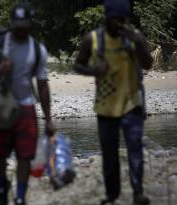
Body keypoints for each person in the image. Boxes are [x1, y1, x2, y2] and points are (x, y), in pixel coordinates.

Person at [0, 3, 55, 205]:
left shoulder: (38, 49)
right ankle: (2, 183)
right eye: (17, 25)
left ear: (30, 24)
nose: (21, 29)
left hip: (26, 107)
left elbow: (42, 85)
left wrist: (49, 118)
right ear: (12, 23)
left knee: (25, 155)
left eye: (24, 24)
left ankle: (20, 196)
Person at [73, 0, 153, 204]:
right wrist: (94, 71)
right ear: (106, 18)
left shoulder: (134, 37)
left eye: (123, 19)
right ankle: (112, 195)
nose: (119, 23)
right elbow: (78, 65)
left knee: (134, 149)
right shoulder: (93, 39)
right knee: (109, 155)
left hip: (131, 104)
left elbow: (148, 64)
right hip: (106, 107)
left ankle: (138, 192)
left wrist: (137, 42)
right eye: (115, 19)